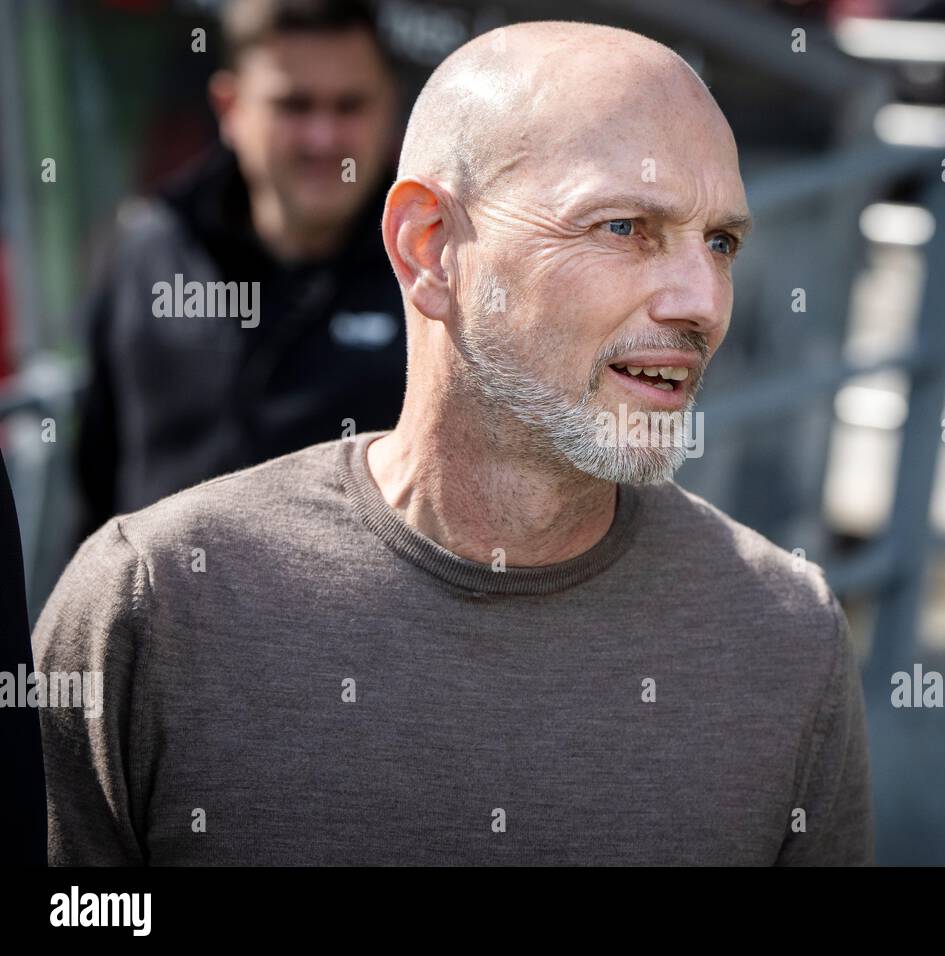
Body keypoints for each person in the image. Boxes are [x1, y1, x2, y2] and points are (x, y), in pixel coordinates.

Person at [34, 20, 872, 865]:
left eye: (720, 242)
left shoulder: (788, 637)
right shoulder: (149, 604)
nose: (704, 301)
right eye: (624, 227)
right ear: (430, 249)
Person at [73, 0, 403, 539]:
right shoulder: (150, 249)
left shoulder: (433, 268)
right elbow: (95, 479)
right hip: (160, 615)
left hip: (363, 619)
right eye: (294, 106)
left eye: (350, 106)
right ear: (230, 108)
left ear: (387, 107)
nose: (324, 139)